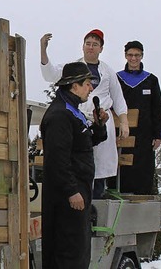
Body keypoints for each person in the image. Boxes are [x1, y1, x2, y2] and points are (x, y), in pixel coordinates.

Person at [40, 30, 129, 199]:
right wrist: (43, 51)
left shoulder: (108, 72)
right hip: (78, 119)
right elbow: (50, 74)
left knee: (99, 165)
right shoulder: (72, 68)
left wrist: (124, 122)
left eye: (95, 44)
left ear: (101, 49)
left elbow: (118, 99)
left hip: (101, 121)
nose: (91, 47)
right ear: (82, 46)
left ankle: (96, 199)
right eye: (88, 43)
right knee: (79, 162)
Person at [41, 62, 109, 269]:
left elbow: (83, 145)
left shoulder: (73, 112)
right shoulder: (59, 115)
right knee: (67, 250)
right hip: (66, 197)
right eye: (87, 84)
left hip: (80, 191)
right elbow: (57, 158)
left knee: (79, 250)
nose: (90, 89)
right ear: (74, 86)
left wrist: (99, 126)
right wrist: (71, 191)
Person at [110, 41, 161, 194]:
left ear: (142, 56)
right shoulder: (116, 79)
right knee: (120, 167)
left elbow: (158, 107)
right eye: (130, 55)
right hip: (121, 133)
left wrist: (160, 134)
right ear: (125, 56)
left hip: (144, 135)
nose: (133, 58)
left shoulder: (151, 80)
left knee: (142, 169)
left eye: (137, 55)